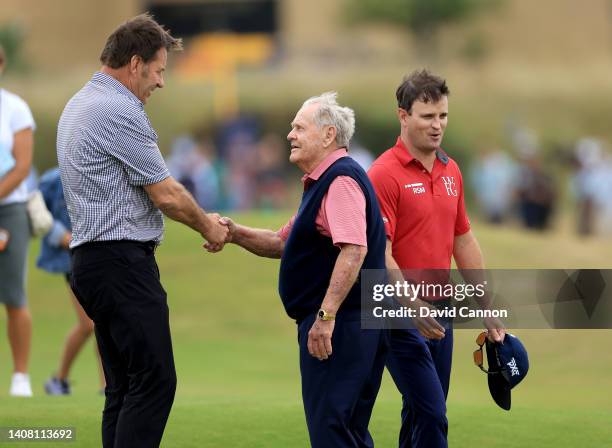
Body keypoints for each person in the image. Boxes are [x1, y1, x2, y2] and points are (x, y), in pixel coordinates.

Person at [57, 14, 228, 447]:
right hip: (119, 264)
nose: (161, 82)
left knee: (123, 389)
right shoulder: (117, 108)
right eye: (159, 70)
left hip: (92, 264)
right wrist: (209, 226)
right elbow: (167, 194)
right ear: (135, 64)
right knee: (155, 383)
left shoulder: (80, 102)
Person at [208, 92, 388, 448]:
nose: (290, 135)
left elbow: (354, 249)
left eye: (299, 128)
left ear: (327, 136)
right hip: (350, 324)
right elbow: (281, 242)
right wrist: (236, 233)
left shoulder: (340, 181)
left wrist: (325, 315)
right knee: (346, 430)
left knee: (331, 431)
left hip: (343, 327)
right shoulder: (326, 181)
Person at [368, 70, 505, 448]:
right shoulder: (382, 174)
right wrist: (411, 305)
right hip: (398, 311)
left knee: (420, 411)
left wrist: (489, 311)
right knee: (431, 413)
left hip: (441, 308)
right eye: (427, 116)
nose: (437, 125)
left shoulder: (451, 170)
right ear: (403, 116)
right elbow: (382, 253)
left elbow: (463, 241)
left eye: (443, 116)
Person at [36, 167, 105, 395]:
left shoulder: (97, 171)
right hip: (71, 260)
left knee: (103, 321)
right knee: (89, 324)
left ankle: (106, 385)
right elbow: (37, 214)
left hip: (100, 255)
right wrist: (61, 236)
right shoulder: (51, 180)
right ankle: (59, 379)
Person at [0, 43, 35, 397]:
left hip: (8, 208)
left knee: (13, 293)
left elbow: (22, 166)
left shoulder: (14, 108)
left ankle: (21, 375)